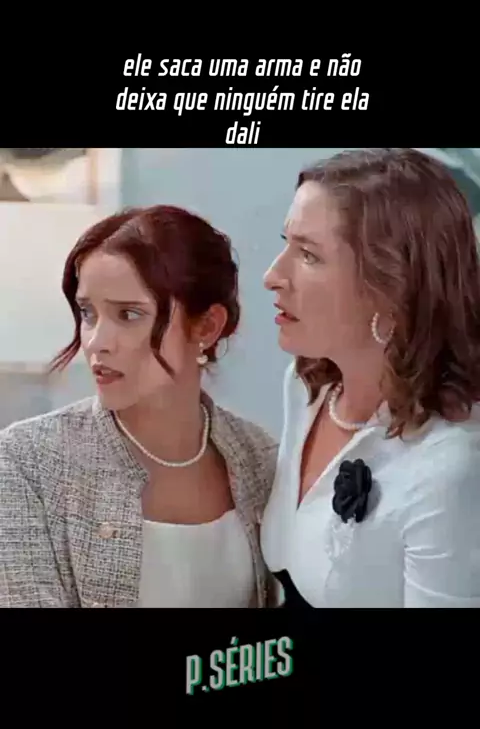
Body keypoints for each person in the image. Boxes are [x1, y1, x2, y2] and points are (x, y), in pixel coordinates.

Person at [0, 205, 277, 608]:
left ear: (207, 326)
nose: (96, 342)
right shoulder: (27, 461)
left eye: (128, 314)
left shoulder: (262, 460)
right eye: (88, 313)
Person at [261, 147, 480, 608]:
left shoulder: (450, 469)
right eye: (286, 243)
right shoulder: (305, 386)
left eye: (308, 255)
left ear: (392, 289)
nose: (272, 276)